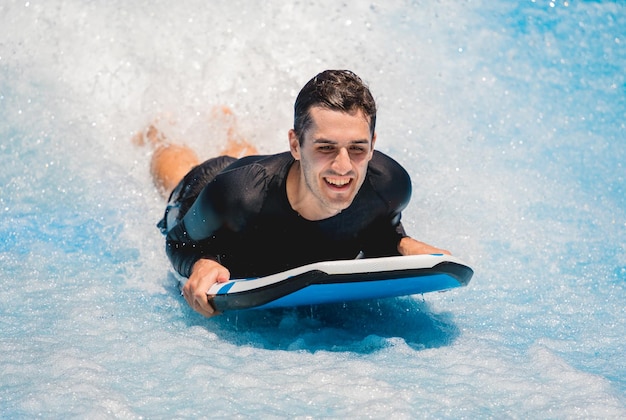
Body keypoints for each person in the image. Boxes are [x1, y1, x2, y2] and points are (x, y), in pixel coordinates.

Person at [138, 70, 450, 318]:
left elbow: (377, 229)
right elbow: (178, 240)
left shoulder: (389, 186)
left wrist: (402, 244)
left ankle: (228, 124)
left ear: (373, 143)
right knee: (180, 168)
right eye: (325, 147)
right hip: (210, 191)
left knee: (264, 165)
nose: (344, 167)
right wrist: (199, 262)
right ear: (295, 144)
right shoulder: (239, 198)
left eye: (357, 148)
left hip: (269, 175)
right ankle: (157, 133)